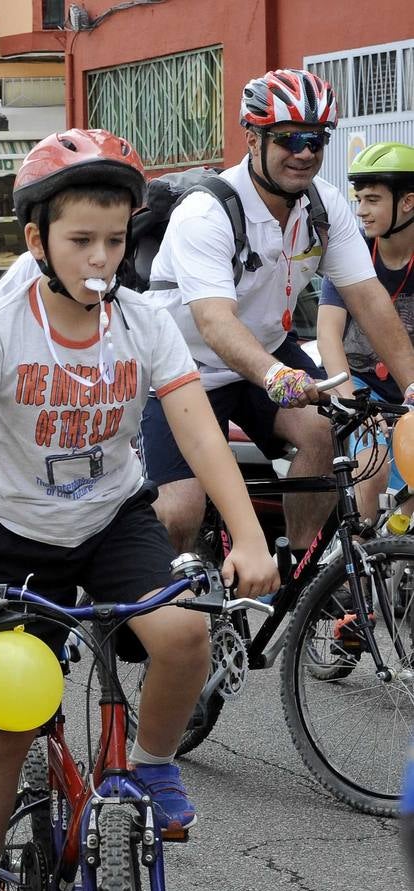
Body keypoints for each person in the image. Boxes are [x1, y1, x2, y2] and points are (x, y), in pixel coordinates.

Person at [0, 129, 279, 891]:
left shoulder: (144, 321)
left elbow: (198, 433)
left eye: (114, 241)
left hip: (112, 518)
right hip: (8, 532)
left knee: (185, 632)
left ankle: (152, 764)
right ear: (37, 240)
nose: (100, 258)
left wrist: (249, 536)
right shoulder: (2, 325)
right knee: (8, 722)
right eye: (80, 239)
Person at [141, 69, 414, 559]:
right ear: (252, 139)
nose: (305, 152)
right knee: (180, 510)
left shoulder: (323, 208)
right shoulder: (207, 213)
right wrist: (276, 377)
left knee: (324, 433)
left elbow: (369, 298)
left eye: (316, 139)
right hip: (184, 368)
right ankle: (156, 606)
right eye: (289, 139)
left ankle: (302, 569)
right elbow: (215, 322)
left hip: (264, 352)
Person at [316, 141, 414, 524]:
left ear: (407, 202)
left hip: (408, 390)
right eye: (359, 199)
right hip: (359, 385)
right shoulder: (352, 250)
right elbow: (327, 333)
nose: (361, 211)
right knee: (368, 467)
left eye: (372, 200)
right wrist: (349, 400)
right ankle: (356, 558)